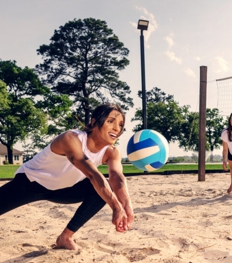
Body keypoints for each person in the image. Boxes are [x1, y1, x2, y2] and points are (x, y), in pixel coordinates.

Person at [0, 103, 134, 250]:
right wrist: (115, 206)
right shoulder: (70, 138)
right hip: (30, 184)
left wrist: (126, 205)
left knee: (104, 189)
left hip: (63, 190)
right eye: (110, 121)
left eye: (121, 125)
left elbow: (116, 177)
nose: (117, 128)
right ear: (94, 122)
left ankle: (65, 237)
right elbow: (91, 173)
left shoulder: (112, 152)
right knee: (100, 183)